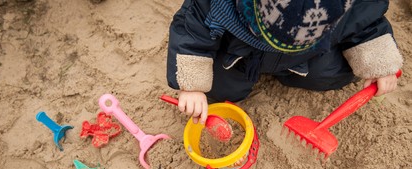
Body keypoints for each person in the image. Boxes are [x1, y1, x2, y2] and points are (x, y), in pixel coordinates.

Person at [166, 0, 403, 124]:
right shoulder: (219, 4)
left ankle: (293, 64)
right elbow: (192, 31)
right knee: (221, 88)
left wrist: (380, 65)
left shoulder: (346, 6)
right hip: (240, 53)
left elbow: (366, 22)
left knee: (331, 74)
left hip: (305, 56)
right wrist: (192, 86)